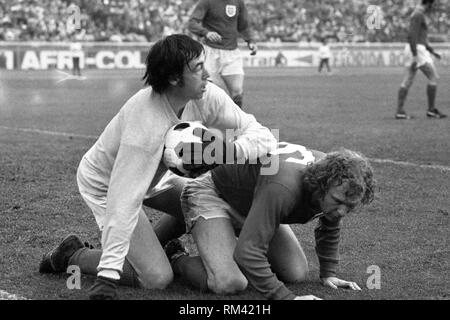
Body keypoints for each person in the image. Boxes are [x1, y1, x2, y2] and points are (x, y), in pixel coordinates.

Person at [38, 34, 277, 300]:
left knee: (195, 195)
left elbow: (263, 135)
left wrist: (228, 150)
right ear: (174, 79)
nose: (208, 74)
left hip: (161, 176)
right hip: (107, 185)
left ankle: (159, 245)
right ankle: (72, 254)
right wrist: (108, 275)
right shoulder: (144, 129)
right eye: (198, 68)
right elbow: (123, 201)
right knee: (157, 278)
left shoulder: (206, 95)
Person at [164, 143, 375, 300]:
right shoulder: (285, 188)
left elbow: (330, 221)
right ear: (320, 185)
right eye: (338, 202)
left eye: (350, 206)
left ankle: (207, 230)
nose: (342, 212)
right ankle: (175, 254)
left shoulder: (335, 183)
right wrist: (286, 298)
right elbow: (248, 252)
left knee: (294, 272)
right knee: (230, 282)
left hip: (254, 201)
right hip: (213, 191)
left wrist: (328, 273)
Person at [187, 0, 257, 109]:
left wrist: (250, 41)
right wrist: (206, 33)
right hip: (210, 52)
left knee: (237, 91)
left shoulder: (238, 2)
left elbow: (244, 26)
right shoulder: (206, 2)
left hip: (232, 53)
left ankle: (236, 123)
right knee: (208, 92)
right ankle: (207, 121)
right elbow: (192, 23)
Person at [395, 0, 446, 119]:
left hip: (415, 48)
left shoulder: (416, 14)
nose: (432, 8)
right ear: (428, 4)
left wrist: (431, 51)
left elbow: (418, 36)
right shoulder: (418, 15)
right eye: (432, 5)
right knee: (432, 77)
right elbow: (412, 35)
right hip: (417, 49)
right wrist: (415, 56)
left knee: (408, 80)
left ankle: (400, 111)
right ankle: (431, 110)